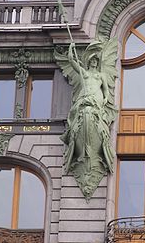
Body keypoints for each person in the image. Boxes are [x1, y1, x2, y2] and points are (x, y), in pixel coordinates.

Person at [57, 40, 117, 200]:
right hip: (84, 98)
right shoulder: (84, 73)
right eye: (91, 60)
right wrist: (71, 48)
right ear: (89, 61)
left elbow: (106, 92)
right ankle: (72, 135)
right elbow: (72, 62)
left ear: (98, 63)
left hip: (96, 100)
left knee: (92, 113)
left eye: (96, 61)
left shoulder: (100, 75)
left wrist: (105, 100)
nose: (93, 62)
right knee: (82, 113)